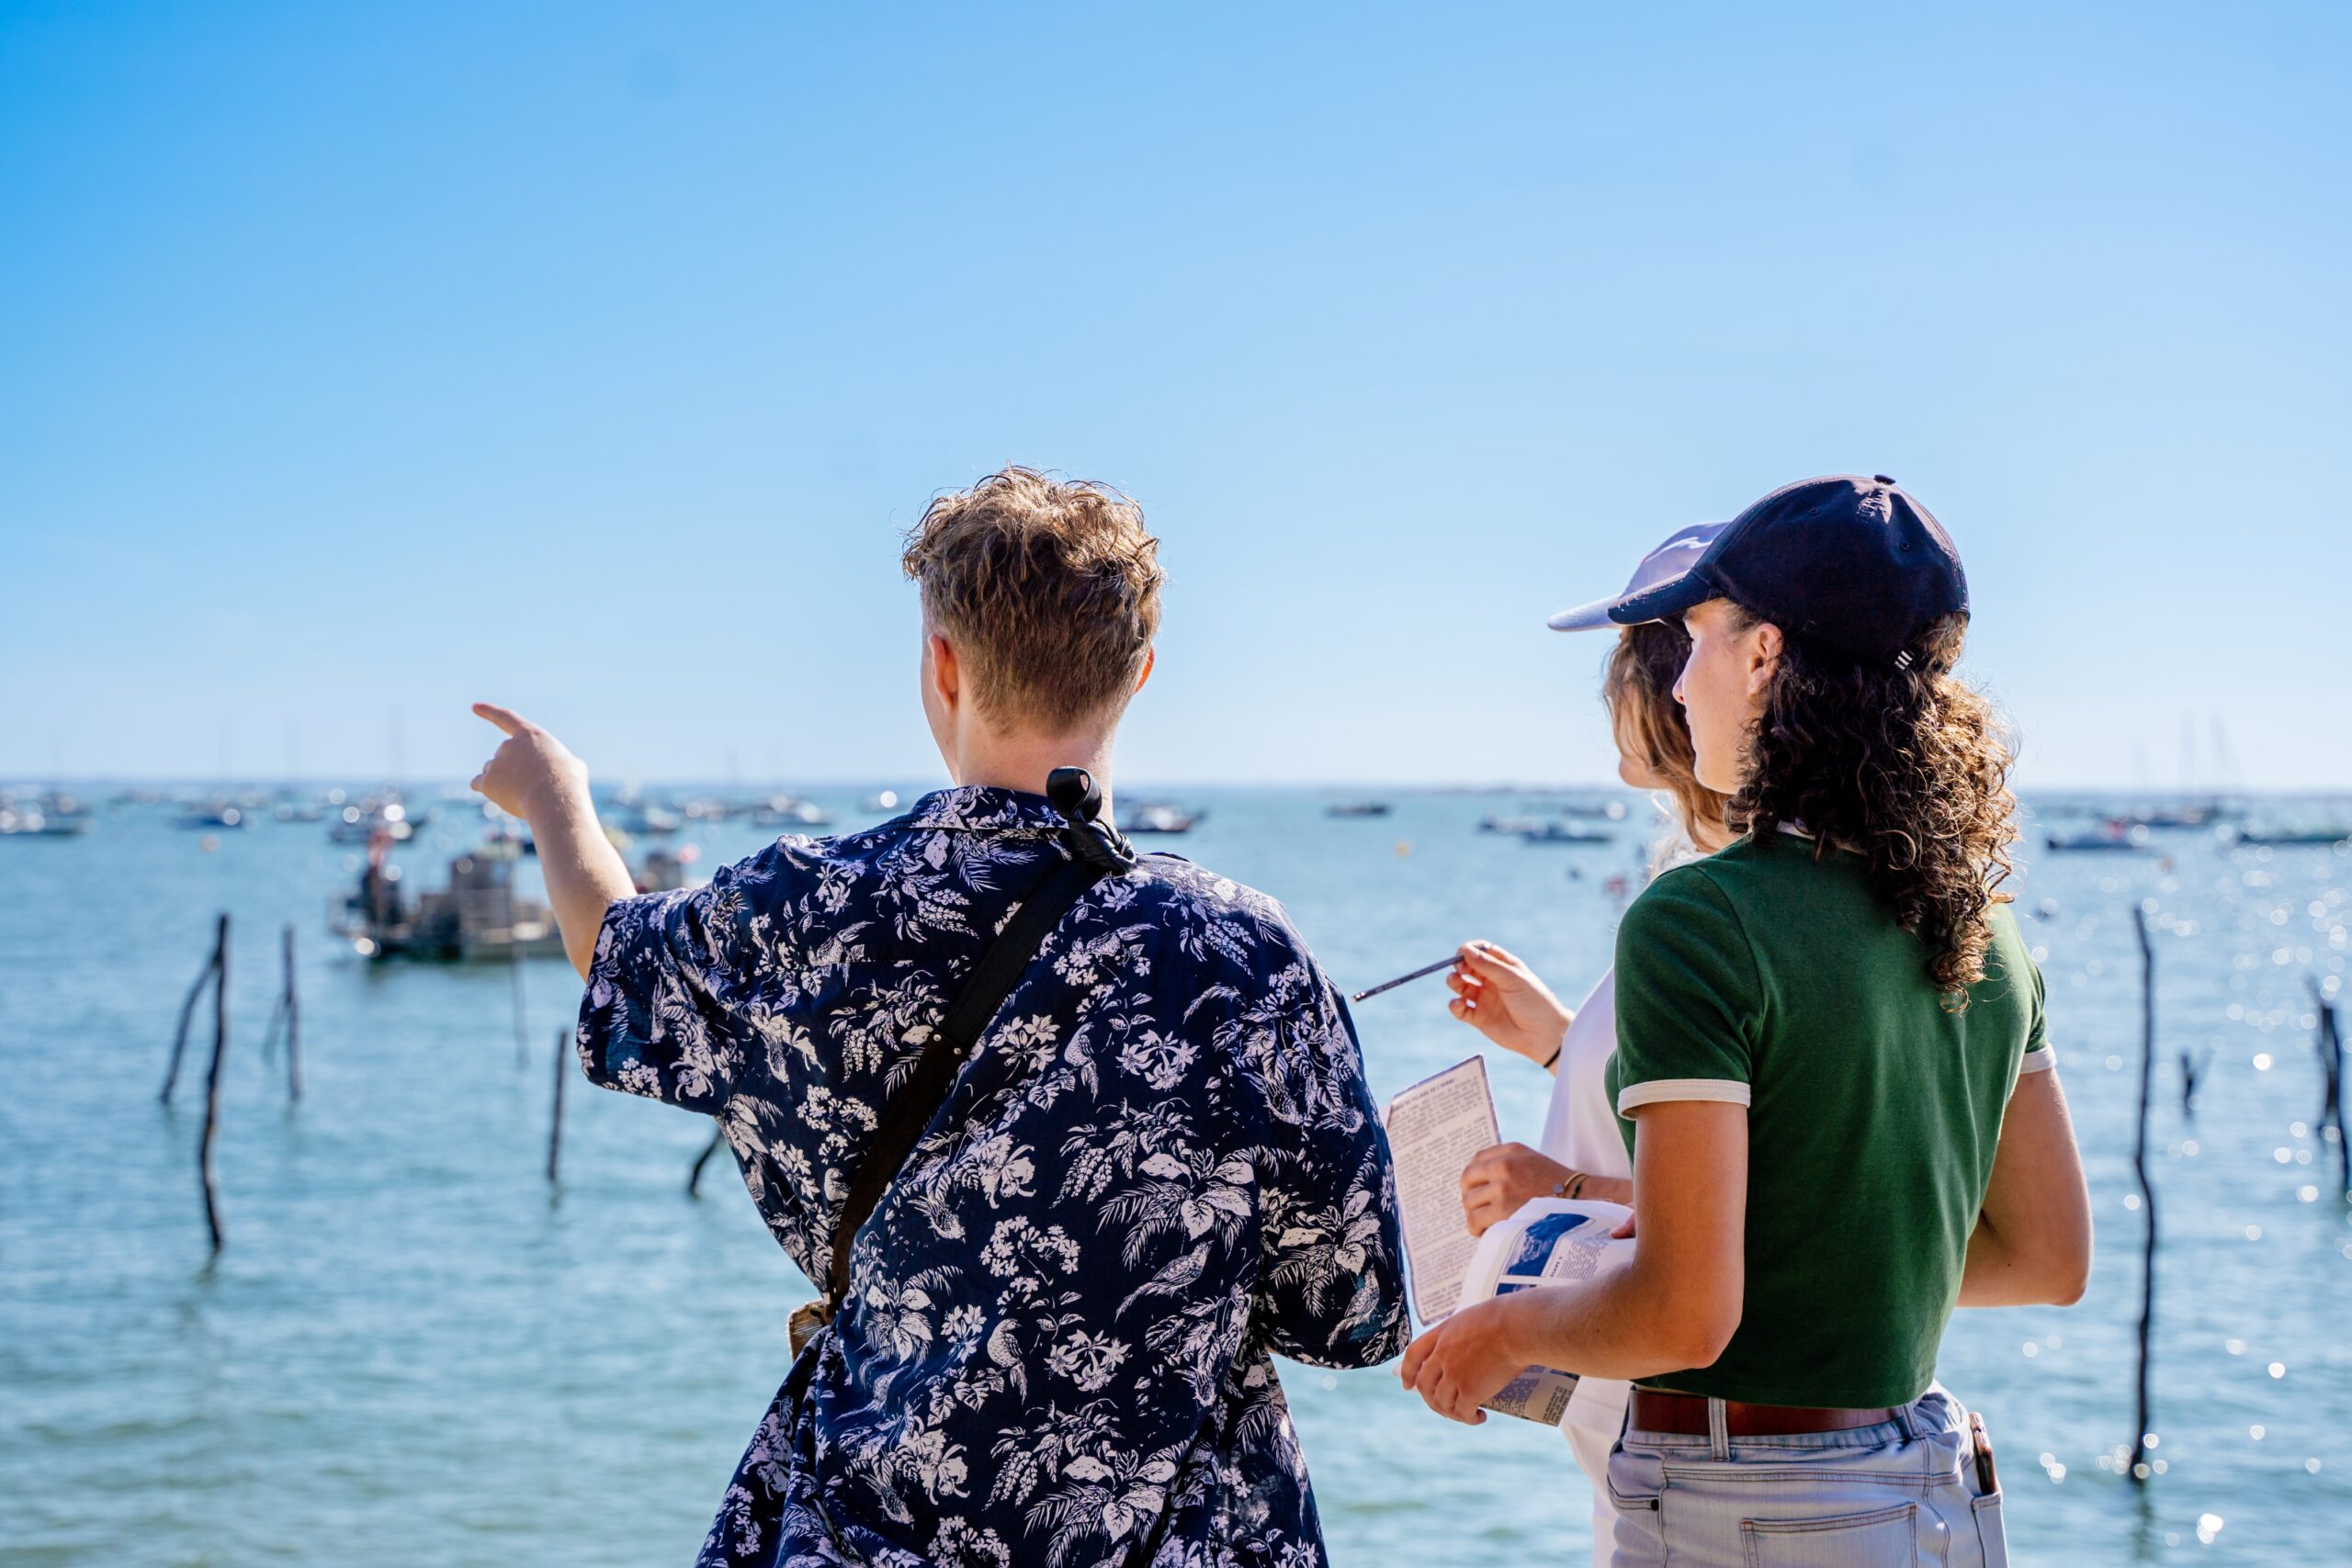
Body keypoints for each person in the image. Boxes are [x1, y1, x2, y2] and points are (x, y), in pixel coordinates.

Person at [469, 468, 1407, 1568]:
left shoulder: (807, 909)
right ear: (1139, 673)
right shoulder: (1243, 953)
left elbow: (614, 958)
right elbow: (1351, 1313)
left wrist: (550, 794)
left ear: (943, 664)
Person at [1400, 475, 2092, 1567]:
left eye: (1695, 643)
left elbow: (1683, 1317)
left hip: (1747, 1510)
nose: (1677, 687)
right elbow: (2047, 1259)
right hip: (1933, 1492)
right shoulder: (1986, 932)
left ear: (1763, 655)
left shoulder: (1699, 919)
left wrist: (1504, 1329)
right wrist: (1829, 1271)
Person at [1440, 523, 1734, 1568]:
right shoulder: (1709, 892)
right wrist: (1562, 1049)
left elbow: (1760, 1218)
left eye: (1626, 661)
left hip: (1693, 1459)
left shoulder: (1710, 911)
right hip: (1654, 1447)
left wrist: (1551, 1188)